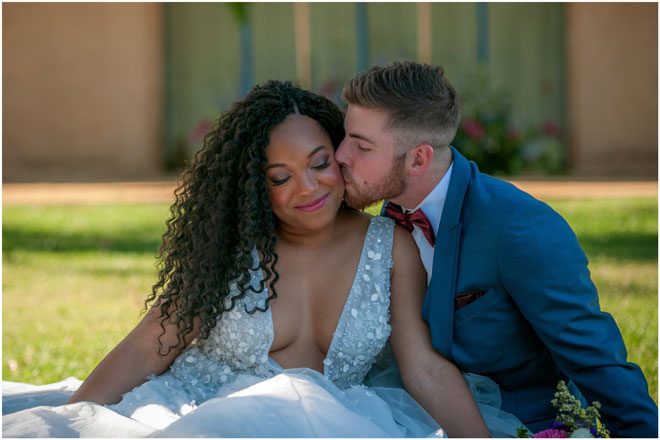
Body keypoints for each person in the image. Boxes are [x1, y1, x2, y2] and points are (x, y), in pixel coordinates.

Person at [3, 80, 492, 438]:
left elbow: (423, 368)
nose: (308, 187)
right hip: (199, 417)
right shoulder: (233, 249)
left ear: (340, 155)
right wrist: (67, 423)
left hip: (335, 426)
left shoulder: (390, 246)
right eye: (280, 177)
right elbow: (145, 349)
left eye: (320, 163)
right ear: (256, 187)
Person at [334, 60, 658, 437]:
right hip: (403, 414)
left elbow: (595, 360)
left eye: (362, 146)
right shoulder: (378, 224)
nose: (341, 155)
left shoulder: (518, 227)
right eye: (346, 136)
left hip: (515, 425)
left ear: (418, 159)